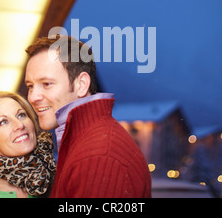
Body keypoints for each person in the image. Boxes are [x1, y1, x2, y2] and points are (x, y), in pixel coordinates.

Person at [24, 35, 151, 198]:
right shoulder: (85, 141)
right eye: (30, 86)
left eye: (47, 84)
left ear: (81, 85)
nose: (33, 97)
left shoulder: (100, 157)